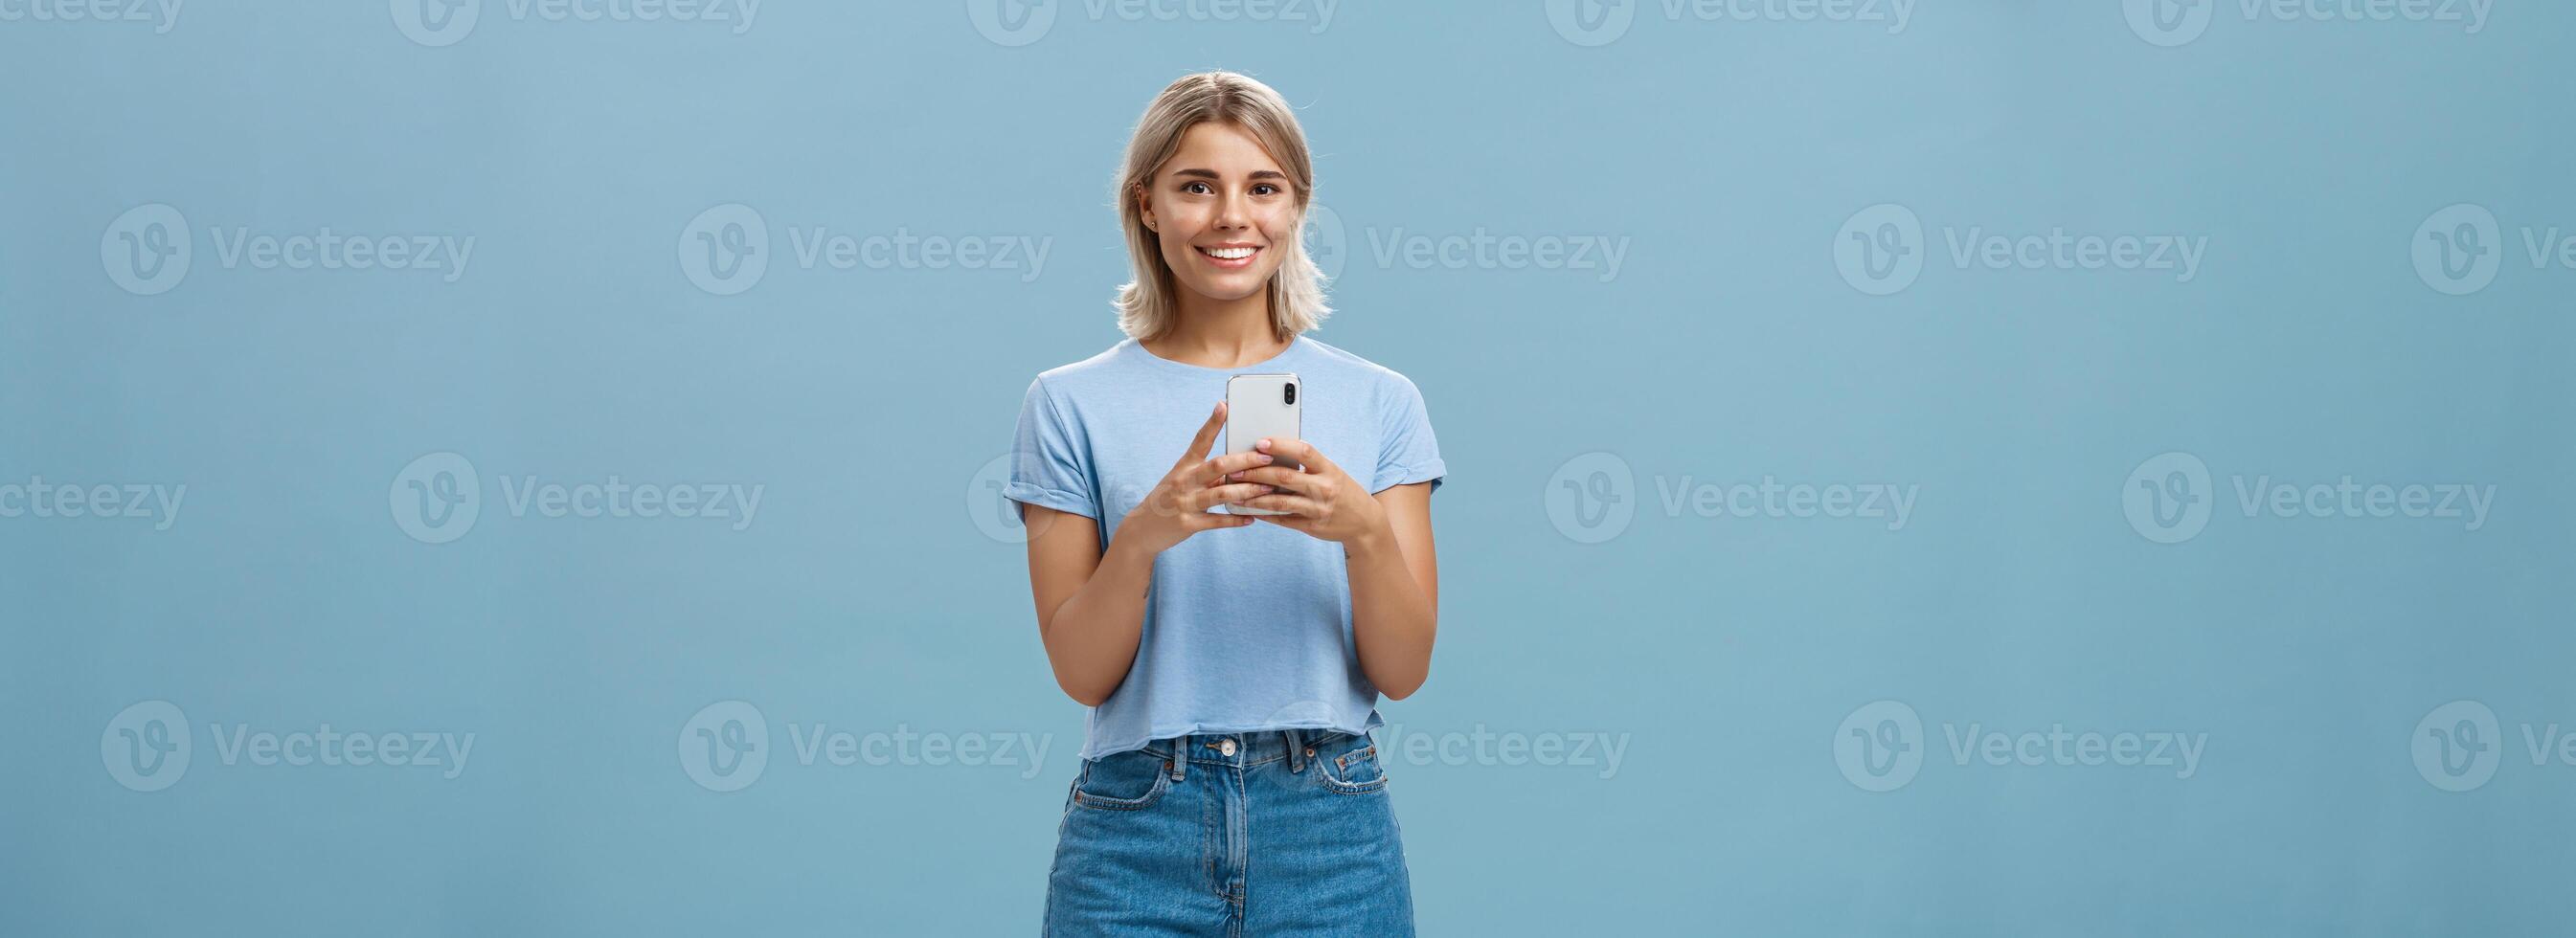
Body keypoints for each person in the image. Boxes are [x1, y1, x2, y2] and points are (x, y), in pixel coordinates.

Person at [1005, 71, 1446, 936]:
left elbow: (1403, 672)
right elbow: (1081, 674)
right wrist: (1144, 537)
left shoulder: (1382, 401)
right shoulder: (1066, 403)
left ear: (1297, 207)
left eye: (1264, 187)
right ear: (1147, 206)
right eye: (1196, 186)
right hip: (1136, 828)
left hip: (1329, 828)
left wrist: (1361, 532)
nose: (1232, 216)